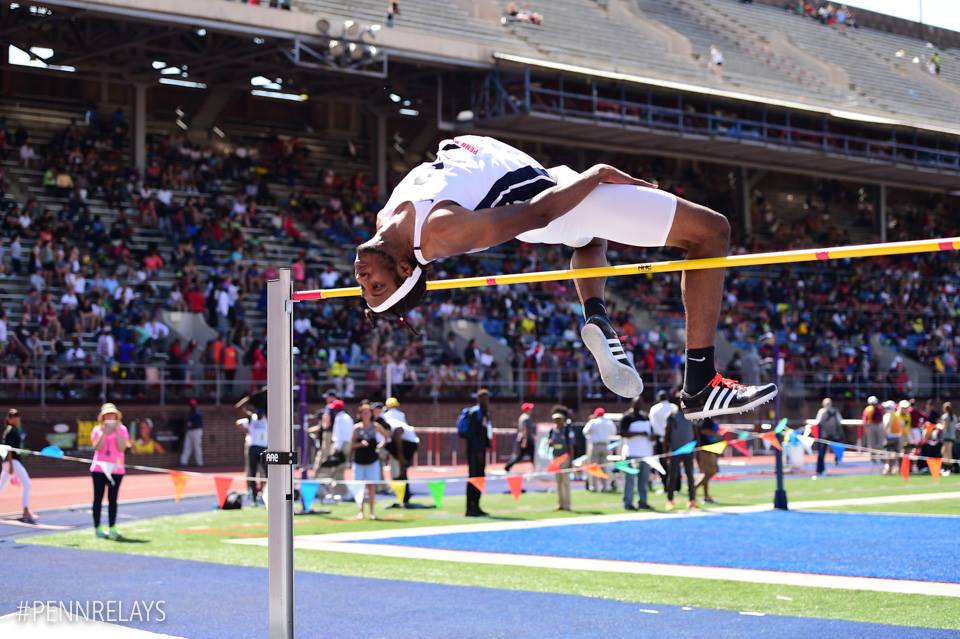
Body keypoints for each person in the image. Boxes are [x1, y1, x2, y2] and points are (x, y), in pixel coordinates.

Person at [353, 135, 777, 419]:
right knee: (711, 231)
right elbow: (538, 213)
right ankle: (701, 383)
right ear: (406, 269)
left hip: (549, 179)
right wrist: (595, 175)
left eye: (366, 287)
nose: (362, 278)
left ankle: (597, 315)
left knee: (590, 241)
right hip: (553, 203)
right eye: (376, 286)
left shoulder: (385, 217)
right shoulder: (442, 231)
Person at [90, 403, 129, 539]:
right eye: (107, 415)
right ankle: (98, 528)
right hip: (99, 469)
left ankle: (112, 527)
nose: (110, 417)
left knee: (113, 499)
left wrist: (116, 432)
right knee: (97, 499)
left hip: (116, 470)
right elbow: (97, 448)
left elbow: (122, 448)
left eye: (112, 414)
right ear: (103, 417)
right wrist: (104, 433)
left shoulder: (123, 429)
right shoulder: (97, 430)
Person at [351, 401, 389, 520]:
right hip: (359, 460)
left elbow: (386, 437)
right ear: (360, 414)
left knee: (371, 486)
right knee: (360, 487)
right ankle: (360, 511)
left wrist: (380, 445)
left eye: (368, 412)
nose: (366, 415)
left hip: (372, 460)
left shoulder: (375, 426)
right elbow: (351, 445)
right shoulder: (356, 428)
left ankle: (372, 511)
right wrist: (360, 444)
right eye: (364, 413)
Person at [1, 408, 37, 523]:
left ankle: (26, 510)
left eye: (18, 416)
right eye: (14, 416)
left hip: (11, 462)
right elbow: (9, 449)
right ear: (9, 419)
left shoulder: (14, 429)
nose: (17, 418)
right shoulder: (10, 430)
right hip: (13, 462)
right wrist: (11, 464)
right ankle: (26, 511)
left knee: (1, 486)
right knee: (27, 484)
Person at [620, 397, 653, 511]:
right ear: (632, 404)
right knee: (630, 479)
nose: (639, 405)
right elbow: (622, 433)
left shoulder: (646, 416)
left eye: (640, 403)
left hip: (645, 453)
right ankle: (628, 502)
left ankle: (643, 502)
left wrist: (652, 437)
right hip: (631, 453)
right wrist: (639, 433)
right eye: (637, 403)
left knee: (643, 480)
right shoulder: (627, 417)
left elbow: (651, 433)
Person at [379, 412, 419, 507]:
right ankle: (403, 496)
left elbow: (398, 435)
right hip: (407, 444)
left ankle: (404, 496)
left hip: (410, 444)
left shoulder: (393, 427)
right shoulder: (389, 426)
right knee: (402, 472)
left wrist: (401, 458)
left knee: (402, 469)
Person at [664, 399, 697, 511]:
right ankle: (670, 500)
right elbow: (667, 433)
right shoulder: (672, 416)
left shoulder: (690, 414)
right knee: (673, 476)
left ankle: (692, 500)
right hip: (675, 450)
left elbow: (695, 430)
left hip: (688, 450)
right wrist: (666, 450)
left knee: (690, 476)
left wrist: (697, 446)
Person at [464, 388, 492, 517]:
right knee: (473, 477)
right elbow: (472, 434)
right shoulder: (474, 413)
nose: (486, 401)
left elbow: (485, 431)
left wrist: (486, 446)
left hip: (481, 450)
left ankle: (477, 505)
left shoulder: (485, 413)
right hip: (474, 451)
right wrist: (477, 451)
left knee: (480, 477)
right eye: (483, 398)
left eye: (487, 398)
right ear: (479, 399)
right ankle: (470, 507)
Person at [547, 406, 576, 511]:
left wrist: (571, 460)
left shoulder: (567, 430)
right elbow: (550, 443)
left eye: (559, 419)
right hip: (555, 458)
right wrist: (550, 443)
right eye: (555, 419)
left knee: (565, 482)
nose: (557, 421)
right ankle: (560, 504)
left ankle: (567, 504)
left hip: (565, 457)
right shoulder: (552, 431)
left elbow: (571, 446)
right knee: (558, 482)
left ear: (563, 419)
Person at [238, 410, 268, 505]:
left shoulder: (267, 418)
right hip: (253, 447)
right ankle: (254, 497)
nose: (259, 414)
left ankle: (265, 494)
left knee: (266, 473)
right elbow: (238, 423)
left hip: (264, 448)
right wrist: (247, 431)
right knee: (252, 473)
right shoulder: (251, 418)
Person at [582, 407, 616, 492]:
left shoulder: (593, 422)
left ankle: (594, 487)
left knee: (594, 467)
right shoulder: (609, 422)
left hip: (595, 446)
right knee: (604, 467)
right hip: (605, 446)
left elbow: (585, 432)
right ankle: (605, 486)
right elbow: (614, 432)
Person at [647, 389, 676, 490]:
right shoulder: (673, 407)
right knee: (674, 462)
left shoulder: (654, 409)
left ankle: (666, 486)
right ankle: (675, 485)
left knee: (661, 463)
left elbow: (651, 425)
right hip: (672, 439)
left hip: (659, 439)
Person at [814, 398, 843, 476]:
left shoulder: (834, 411)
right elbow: (818, 422)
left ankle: (836, 461)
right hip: (824, 436)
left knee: (838, 449)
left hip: (832, 435)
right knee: (821, 453)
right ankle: (820, 469)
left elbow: (840, 421)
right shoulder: (822, 411)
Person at [504, 402, 536, 472]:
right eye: (530, 409)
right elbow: (524, 429)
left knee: (527, 456)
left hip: (525, 439)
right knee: (525, 456)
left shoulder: (524, 417)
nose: (531, 410)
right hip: (526, 439)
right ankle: (507, 466)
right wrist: (525, 440)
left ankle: (508, 466)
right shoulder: (525, 418)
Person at [696, 418, 720, 503]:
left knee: (705, 474)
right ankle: (693, 489)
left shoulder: (700, 419)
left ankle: (706, 496)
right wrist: (717, 435)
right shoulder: (707, 420)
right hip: (706, 451)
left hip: (703, 450)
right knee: (711, 472)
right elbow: (704, 431)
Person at [881, 400, 906, 475]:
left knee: (889, 454)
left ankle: (890, 470)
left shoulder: (887, 415)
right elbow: (902, 425)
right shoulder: (897, 415)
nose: (884, 409)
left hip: (890, 437)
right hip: (897, 437)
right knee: (897, 455)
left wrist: (884, 436)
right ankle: (899, 470)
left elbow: (886, 425)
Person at [861, 396, 884, 468]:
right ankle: (873, 458)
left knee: (880, 442)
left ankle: (880, 456)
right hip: (871, 426)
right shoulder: (868, 409)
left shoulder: (879, 408)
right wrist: (866, 428)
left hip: (877, 426)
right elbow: (865, 420)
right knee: (872, 443)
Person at [180, 399, 204, 466]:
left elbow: (198, 419)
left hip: (197, 431)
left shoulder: (197, 412)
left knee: (197, 447)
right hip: (190, 430)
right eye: (191, 405)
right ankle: (183, 462)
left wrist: (190, 422)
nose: (192, 406)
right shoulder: (190, 412)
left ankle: (200, 463)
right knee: (187, 446)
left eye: (193, 405)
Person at [940, 402, 956, 475]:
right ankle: (947, 467)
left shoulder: (945, 416)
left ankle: (950, 468)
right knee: (944, 452)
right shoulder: (954, 416)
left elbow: (944, 428)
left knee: (948, 453)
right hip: (952, 437)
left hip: (947, 437)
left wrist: (937, 426)